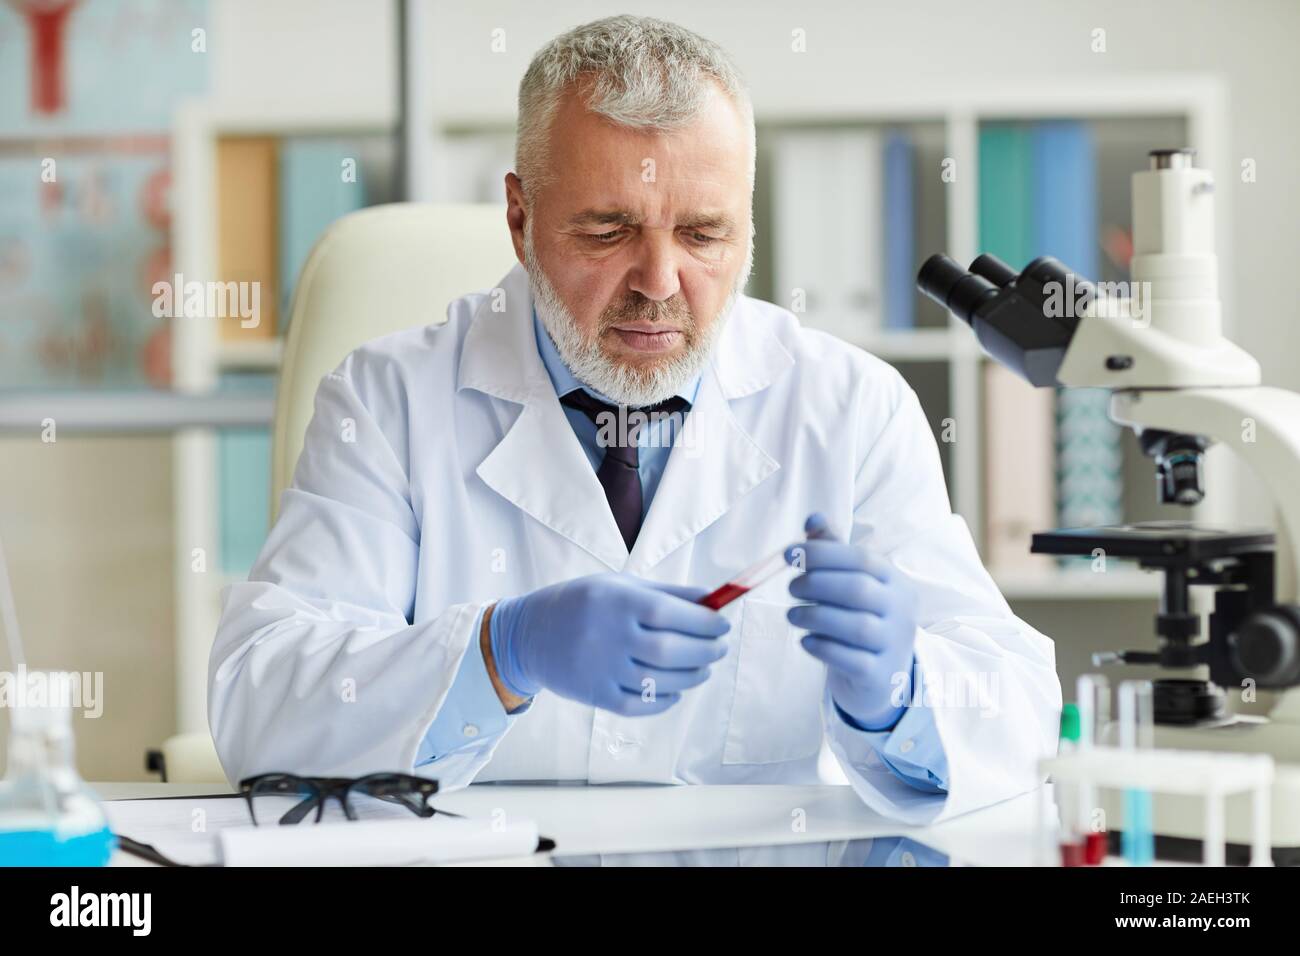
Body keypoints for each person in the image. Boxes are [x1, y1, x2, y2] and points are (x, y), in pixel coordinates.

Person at [209, 15, 1061, 824]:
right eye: (610, 230)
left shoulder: (852, 410)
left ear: (748, 229)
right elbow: (259, 701)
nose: (659, 280)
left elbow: (1018, 713)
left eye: (703, 233)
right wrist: (502, 652)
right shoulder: (388, 401)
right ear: (520, 218)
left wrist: (901, 694)